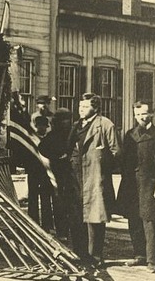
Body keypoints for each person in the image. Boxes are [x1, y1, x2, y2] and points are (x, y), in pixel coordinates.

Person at [68, 93, 119, 267]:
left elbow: (116, 152)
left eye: (85, 106)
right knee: (77, 216)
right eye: (80, 106)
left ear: (95, 108)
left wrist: (101, 162)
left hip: (95, 176)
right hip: (76, 177)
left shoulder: (105, 125)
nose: (80, 109)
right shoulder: (76, 126)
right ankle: (79, 254)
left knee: (95, 218)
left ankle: (95, 256)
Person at [116, 101, 155, 272]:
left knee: (150, 221)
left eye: (144, 114)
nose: (141, 118)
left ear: (151, 113)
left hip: (149, 184)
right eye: (137, 115)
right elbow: (123, 160)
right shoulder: (130, 134)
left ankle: (153, 260)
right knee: (133, 219)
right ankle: (139, 255)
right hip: (131, 183)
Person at [41, 108, 75, 241]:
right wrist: (57, 158)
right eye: (64, 120)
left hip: (70, 173)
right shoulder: (53, 136)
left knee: (68, 203)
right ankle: (62, 231)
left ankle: (66, 231)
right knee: (59, 202)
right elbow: (43, 150)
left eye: (68, 119)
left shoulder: (73, 134)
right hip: (58, 173)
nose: (66, 122)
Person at [28, 115, 54, 231]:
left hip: (45, 173)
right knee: (33, 197)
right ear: (36, 126)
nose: (42, 128)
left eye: (44, 126)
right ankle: (33, 222)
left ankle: (47, 225)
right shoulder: (32, 139)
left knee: (46, 199)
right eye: (40, 126)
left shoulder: (49, 139)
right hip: (33, 172)